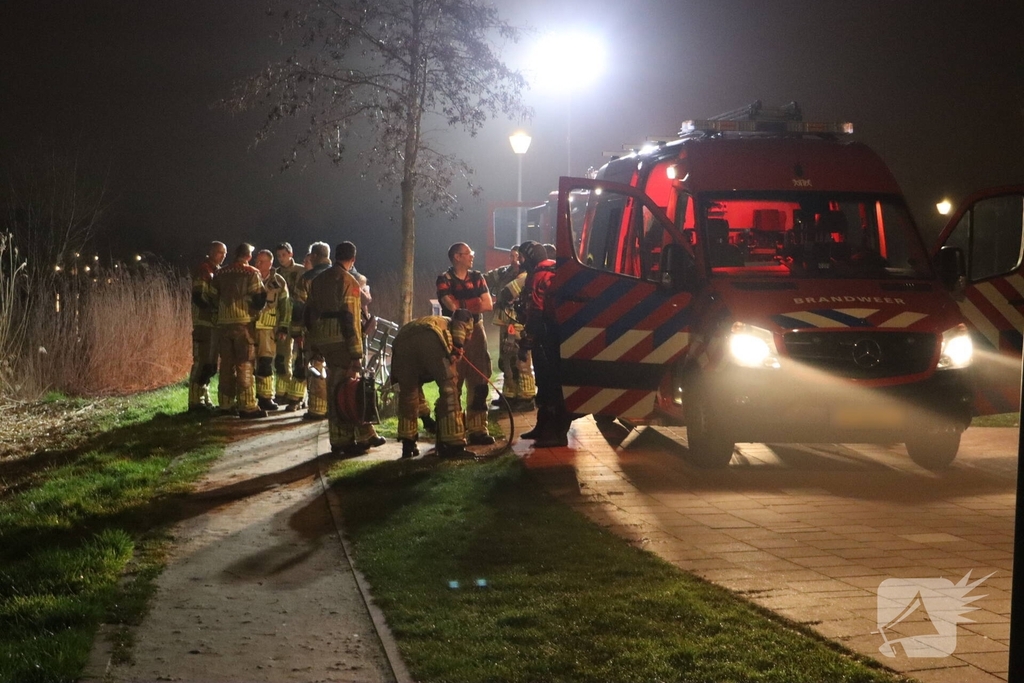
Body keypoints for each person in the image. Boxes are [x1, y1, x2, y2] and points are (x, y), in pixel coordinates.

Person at [303, 241, 368, 455]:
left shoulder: (318, 280)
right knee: (343, 390)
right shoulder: (349, 281)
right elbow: (350, 319)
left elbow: (308, 313)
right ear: (353, 260)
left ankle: (358, 435)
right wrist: (356, 353)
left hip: (321, 339)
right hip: (341, 341)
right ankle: (343, 441)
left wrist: (313, 342)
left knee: (333, 387)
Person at [390, 311, 476, 459]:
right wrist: (458, 347)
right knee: (449, 388)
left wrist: (425, 418)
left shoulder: (430, 320)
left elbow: (416, 387)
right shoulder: (459, 322)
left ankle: (408, 443)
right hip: (430, 337)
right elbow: (460, 321)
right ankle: (453, 444)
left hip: (401, 341)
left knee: (409, 392)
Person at [436, 242, 494, 446]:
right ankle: (453, 431)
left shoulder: (477, 277)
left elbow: (488, 304)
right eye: (468, 253)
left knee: (480, 380)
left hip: (477, 331)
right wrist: (473, 303)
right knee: (453, 381)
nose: (472, 256)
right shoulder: (444, 279)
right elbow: (452, 308)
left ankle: (478, 430)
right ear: (457, 257)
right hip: (453, 333)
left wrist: (463, 306)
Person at [516, 240, 569, 447]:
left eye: (522, 257)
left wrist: (527, 341)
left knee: (549, 384)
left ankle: (555, 433)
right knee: (548, 383)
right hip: (556, 332)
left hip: (545, 334)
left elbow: (536, 311)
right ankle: (543, 426)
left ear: (530, 257)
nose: (520, 262)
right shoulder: (553, 269)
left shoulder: (538, 275)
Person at [209, 242, 267, 419]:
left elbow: (212, 297)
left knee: (226, 366)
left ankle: (225, 404)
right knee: (245, 363)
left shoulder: (220, 273)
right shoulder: (251, 272)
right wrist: (255, 311)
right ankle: (247, 406)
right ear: (248, 256)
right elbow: (260, 297)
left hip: (223, 325)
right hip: (244, 325)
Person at [337, 242, 386, 449]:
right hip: (353, 340)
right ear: (352, 259)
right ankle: (362, 433)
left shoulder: (329, 279)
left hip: (341, 339)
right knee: (354, 389)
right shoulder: (350, 281)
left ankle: (366, 432)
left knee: (352, 388)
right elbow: (360, 306)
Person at [187, 241, 226, 412]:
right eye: (219, 252)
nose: (222, 256)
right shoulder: (204, 270)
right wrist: (213, 310)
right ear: (211, 252)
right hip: (204, 323)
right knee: (202, 363)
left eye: (224, 253)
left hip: (214, 325)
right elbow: (198, 296)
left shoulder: (217, 271)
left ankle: (204, 398)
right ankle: (195, 401)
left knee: (210, 365)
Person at [296, 242, 332, 420]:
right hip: (338, 331)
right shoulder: (341, 275)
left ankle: (318, 409)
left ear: (315, 256)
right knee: (334, 368)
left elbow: (299, 307)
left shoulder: (306, 278)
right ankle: (335, 407)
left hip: (315, 330)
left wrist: (297, 331)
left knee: (316, 367)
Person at [253, 249, 290, 411]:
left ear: (270, 263)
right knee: (247, 364)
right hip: (249, 327)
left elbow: (285, 306)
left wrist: (283, 327)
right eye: (257, 260)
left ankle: (266, 397)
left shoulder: (279, 281)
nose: (257, 264)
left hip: (268, 329)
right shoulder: (250, 276)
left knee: (266, 363)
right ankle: (248, 399)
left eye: (262, 261)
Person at [274, 242, 307, 410]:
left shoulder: (301, 271)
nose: (281, 259)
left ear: (291, 254)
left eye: (284, 255)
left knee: (300, 357)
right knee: (282, 356)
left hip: (299, 318)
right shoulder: (276, 273)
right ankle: (283, 392)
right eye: (279, 256)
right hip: (283, 319)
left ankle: (299, 395)